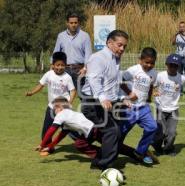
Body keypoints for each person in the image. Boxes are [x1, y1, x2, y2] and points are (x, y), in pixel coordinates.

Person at [36, 97, 154, 165]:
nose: (54, 113)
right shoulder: (68, 115)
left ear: (59, 108)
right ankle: (138, 155)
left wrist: (42, 144)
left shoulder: (61, 114)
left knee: (105, 145)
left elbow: (51, 131)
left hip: (93, 129)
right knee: (81, 143)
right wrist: (50, 146)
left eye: (54, 110)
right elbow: (61, 135)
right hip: (93, 128)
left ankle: (105, 156)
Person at [81, 30, 129, 170]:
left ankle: (98, 162)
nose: (122, 49)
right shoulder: (98, 58)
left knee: (116, 132)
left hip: (105, 103)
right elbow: (93, 79)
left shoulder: (115, 59)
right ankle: (106, 166)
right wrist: (102, 98)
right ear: (109, 42)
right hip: (93, 103)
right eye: (120, 45)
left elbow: (111, 83)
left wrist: (122, 98)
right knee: (111, 131)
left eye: (124, 46)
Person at [152, 54, 185, 156]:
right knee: (161, 132)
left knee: (171, 133)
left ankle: (168, 149)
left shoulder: (182, 78)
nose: (173, 68)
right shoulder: (160, 75)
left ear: (179, 66)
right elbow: (153, 86)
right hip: (161, 108)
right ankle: (157, 147)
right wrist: (154, 92)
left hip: (173, 109)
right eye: (171, 65)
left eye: (175, 66)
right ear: (166, 64)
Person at [26, 52, 76, 145]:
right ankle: (47, 146)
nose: (60, 67)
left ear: (65, 65)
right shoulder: (48, 74)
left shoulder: (67, 77)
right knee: (47, 129)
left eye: (62, 65)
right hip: (51, 106)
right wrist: (32, 92)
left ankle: (83, 142)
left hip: (63, 107)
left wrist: (69, 103)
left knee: (70, 129)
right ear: (53, 65)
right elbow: (40, 85)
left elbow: (73, 91)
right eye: (57, 65)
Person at [119, 47, 158, 165]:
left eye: (152, 63)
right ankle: (111, 151)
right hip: (130, 108)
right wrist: (130, 93)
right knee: (120, 133)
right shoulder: (133, 70)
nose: (149, 65)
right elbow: (120, 80)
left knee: (152, 127)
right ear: (140, 60)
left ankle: (140, 152)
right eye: (147, 62)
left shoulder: (154, 73)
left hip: (143, 107)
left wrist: (149, 98)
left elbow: (151, 86)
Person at [53, 13, 92, 91]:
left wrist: (85, 69)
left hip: (79, 70)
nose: (73, 25)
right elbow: (56, 53)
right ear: (67, 23)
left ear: (78, 23)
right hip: (64, 69)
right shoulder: (61, 36)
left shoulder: (85, 36)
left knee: (83, 95)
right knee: (63, 96)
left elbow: (88, 55)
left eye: (75, 23)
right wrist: (53, 66)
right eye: (71, 23)